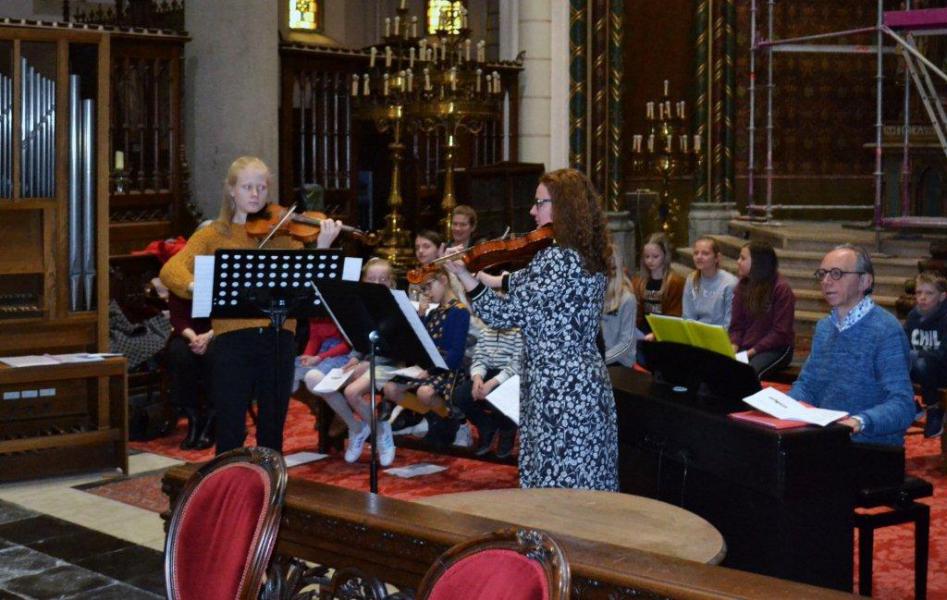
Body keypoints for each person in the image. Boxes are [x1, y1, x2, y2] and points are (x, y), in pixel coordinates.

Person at [445, 167, 618, 491]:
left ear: (564, 207)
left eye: (540, 203)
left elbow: (504, 312)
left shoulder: (557, 259)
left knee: (557, 489)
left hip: (560, 388)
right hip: (582, 382)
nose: (532, 211)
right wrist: (473, 272)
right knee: (585, 486)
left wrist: (464, 276)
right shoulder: (584, 251)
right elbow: (513, 283)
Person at [160, 156, 342, 455]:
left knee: (272, 433)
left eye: (261, 187)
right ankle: (230, 494)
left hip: (278, 338)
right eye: (247, 187)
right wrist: (198, 286)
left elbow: (309, 284)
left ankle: (270, 495)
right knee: (230, 430)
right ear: (231, 190)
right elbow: (171, 271)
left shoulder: (284, 236)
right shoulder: (212, 235)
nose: (256, 194)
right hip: (232, 343)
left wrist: (322, 246)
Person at [789, 244, 915, 446]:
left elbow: (903, 405)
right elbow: (808, 385)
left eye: (837, 274)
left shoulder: (886, 330)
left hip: (868, 446)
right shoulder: (824, 327)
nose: (826, 281)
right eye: (822, 274)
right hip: (827, 437)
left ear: (864, 281)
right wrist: (783, 405)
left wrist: (860, 421)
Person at [305, 258, 399, 463]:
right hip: (364, 360)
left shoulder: (398, 304)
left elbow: (400, 346)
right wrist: (355, 359)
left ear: (391, 282)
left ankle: (382, 430)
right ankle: (357, 428)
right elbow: (358, 341)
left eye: (382, 279)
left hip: (390, 363)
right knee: (320, 384)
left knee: (351, 391)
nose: (376, 284)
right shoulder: (360, 305)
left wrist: (368, 362)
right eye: (371, 279)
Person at [381, 269, 470, 461]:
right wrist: (421, 315)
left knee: (425, 392)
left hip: (448, 369)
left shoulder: (459, 312)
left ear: (443, 280)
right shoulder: (435, 312)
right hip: (429, 367)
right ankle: (431, 416)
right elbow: (420, 343)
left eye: (429, 286)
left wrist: (429, 371)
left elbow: (455, 354)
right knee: (390, 388)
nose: (427, 292)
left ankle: (452, 418)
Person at [453, 324, 523, 458]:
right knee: (460, 395)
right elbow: (479, 358)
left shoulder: (518, 331)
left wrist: (491, 383)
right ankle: (486, 426)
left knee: (496, 397)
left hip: (511, 376)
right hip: (487, 373)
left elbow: (517, 364)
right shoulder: (486, 331)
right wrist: (477, 378)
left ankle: (507, 429)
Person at [729, 241, 795, 376]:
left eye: (743, 258)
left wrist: (750, 352)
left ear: (758, 262)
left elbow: (780, 333)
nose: (738, 261)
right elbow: (737, 326)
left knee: (750, 374)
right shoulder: (742, 286)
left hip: (776, 348)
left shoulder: (781, 289)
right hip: (747, 346)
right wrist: (733, 348)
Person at [904, 271, 947, 438]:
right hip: (918, 369)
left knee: (920, 363)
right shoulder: (913, 316)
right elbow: (902, 345)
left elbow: (943, 355)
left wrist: (916, 355)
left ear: (942, 297)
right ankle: (910, 402)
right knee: (891, 359)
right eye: (919, 292)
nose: (922, 297)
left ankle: (934, 408)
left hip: (942, 370)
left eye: (929, 293)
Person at [632, 233, 684, 337]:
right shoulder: (638, 282)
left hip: (665, 333)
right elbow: (637, 314)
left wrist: (655, 335)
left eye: (655, 256)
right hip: (643, 333)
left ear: (665, 255)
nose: (650, 261)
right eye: (647, 257)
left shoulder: (675, 282)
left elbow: (674, 316)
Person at [682, 236, 738, 328]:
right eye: (696, 253)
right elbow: (688, 316)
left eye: (705, 253)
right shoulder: (691, 279)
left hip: (719, 335)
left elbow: (729, 322)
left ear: (717, 258)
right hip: (696, 333)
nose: (699, 257)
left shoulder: (730, 283)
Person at [601, 247, 637, 367]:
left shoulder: (627, 299)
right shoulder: (595, 294)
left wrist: (601, 360)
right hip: (600, 358)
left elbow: (626, 344)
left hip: (620, 361)